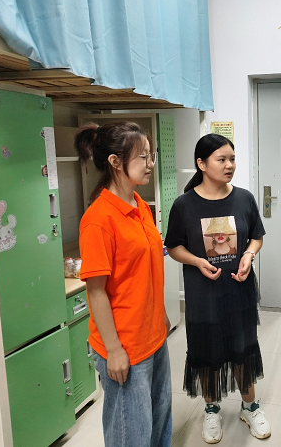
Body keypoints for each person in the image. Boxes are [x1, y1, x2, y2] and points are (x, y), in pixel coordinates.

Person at [165, 133, 271, 444]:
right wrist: (197, 261)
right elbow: (174, 247)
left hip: (239, 290)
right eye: (221, 159)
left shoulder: (244, 198)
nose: (229, 165)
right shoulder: (184, 205)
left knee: (243, 348)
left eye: (232, 159)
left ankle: (250, 407)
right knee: (206, 348)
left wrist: (249, 254)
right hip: (203, 294)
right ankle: (211, 409)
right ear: (201, 164)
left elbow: (256, 236)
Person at [75, 121, 172, 447]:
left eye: (150, 155)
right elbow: (96, 291)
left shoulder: (140, 206)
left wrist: (160, 314)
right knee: (131, 433)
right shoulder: (99, 219)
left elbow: (144, 271)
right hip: (125, 346)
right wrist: (114, 350)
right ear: (115, 162)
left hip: (153, 335)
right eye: (143, 156)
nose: (150, 163)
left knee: (159, 420)